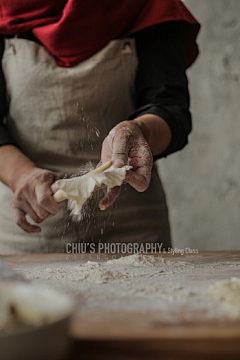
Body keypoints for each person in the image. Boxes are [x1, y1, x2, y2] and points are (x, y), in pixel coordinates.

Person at [0, 0, 200, 254]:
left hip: (133, 222)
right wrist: (20, 176)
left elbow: (171, 108)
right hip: (31, 219)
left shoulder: (147, 5)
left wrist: (140, 130)